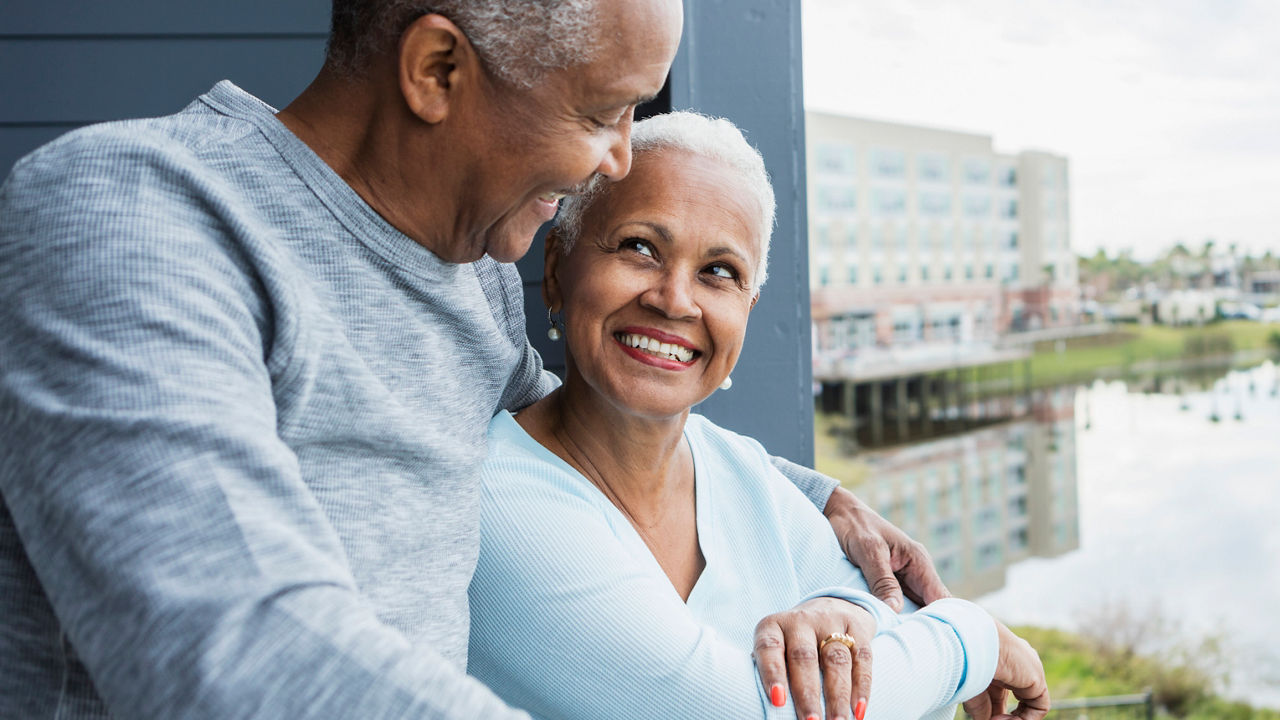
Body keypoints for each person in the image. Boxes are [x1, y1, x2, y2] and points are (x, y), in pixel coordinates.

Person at [1, 1, 944, 718]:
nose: (619, 161)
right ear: (439, 68)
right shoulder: (134, 223)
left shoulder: (471, 278)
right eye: (602, 112)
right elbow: (231, 647)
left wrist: (821, 502)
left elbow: (583, 426)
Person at [467, 112, 1051, 720]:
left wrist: (847, 614)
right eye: (640, 247)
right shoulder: (497, 500)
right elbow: (751, 711)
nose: (674, 299)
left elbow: (888, 623)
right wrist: (972, 637)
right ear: (557, 271)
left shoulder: (737, 466)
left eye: (719, 272)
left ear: (748, 308)